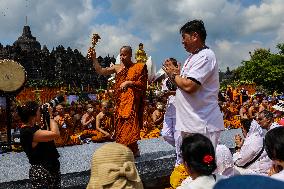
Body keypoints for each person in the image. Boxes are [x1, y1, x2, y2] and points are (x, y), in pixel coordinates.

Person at [162, 19, 224, 150]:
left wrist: (173, 75)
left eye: (184, 37)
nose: (182, 41)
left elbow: (189, 86)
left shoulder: (205, 56)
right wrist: (176, 75)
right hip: (190, 124)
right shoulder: (192, 57)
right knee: (193, 168)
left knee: (202, 168)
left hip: (202, 125)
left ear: (195, 36)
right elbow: (182, 84)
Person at [91, 46, 148, 156]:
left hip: (131, 103)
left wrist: (129, 82)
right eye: (121, 54)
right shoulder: (117, 68)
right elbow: (100, 71)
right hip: (121, 103)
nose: (122, 57)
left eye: (124, 54)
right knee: (121, 127)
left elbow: (142, 85)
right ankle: (131, 150)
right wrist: (94, 58)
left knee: (129, 126)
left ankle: (132, 150)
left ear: (130, 55)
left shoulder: (138, 67)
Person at [18, 101, 61, 188]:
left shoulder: (34, 128)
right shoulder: (28, 132)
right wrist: (50, 116)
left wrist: (46, 118)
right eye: (39, 111)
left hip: (51, 168)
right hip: (42, 171)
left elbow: (49, 135)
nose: (40, 112)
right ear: (33, 115)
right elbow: (55, 134)